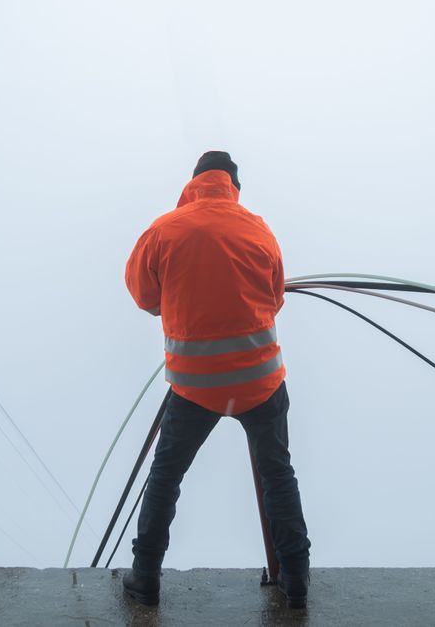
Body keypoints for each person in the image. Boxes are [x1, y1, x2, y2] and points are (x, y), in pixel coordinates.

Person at [122, 151, 311, 609]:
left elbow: (144, 297)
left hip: (195, 386)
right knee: (277, 473)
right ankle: (296, 579)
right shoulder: (259, 229)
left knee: (166, 475)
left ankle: (145, 578)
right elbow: (274, 299)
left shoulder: (163, 230)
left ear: (193, 183)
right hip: (261, 382)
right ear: (233, 186)